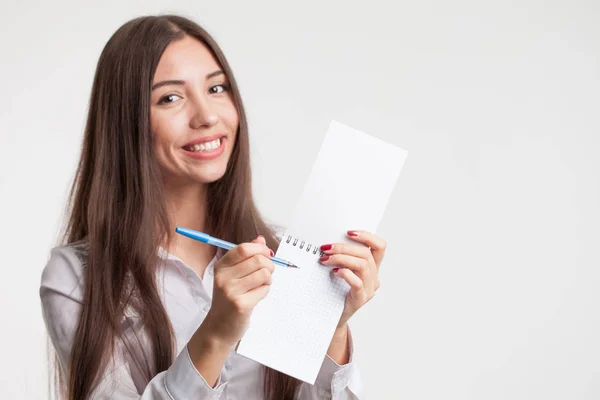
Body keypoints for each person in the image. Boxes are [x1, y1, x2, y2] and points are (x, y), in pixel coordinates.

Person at [40, 14, 386, 400]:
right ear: (126, 122)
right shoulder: (78, 278)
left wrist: (332, 329)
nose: (207, 116)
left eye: (217, 88)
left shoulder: (283, 255)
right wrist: (217, 332)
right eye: (170, 98)